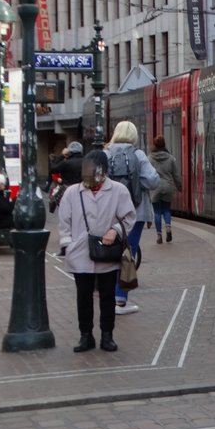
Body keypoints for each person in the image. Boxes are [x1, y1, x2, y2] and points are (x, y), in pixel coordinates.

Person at [57, 149, 135, 353]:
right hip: (80, 253)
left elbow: (128, 217)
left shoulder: (118, 190)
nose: (91, 176)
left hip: (107, 252)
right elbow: (64, 222)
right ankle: (86, 335)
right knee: (83, 297)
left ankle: (107, 335)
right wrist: (69, 245)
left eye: (96, 171)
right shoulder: (73, 192)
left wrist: (115, 231)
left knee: (107, 296)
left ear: (105, 171)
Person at [105, 122, 159, 314]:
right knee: (128, 254)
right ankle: (121, 300)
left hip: (108, 215)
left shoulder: (106, 154)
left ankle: (107, 298)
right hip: (135, 214)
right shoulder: (138, 155)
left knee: (107, 255)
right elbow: (153, 180)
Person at [148, 135, 182, 244]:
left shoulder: (150, 158)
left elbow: (147, 174)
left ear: (154, 145)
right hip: (168, 186)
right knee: (166, 209)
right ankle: (168, 227)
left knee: (157, 212)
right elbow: (176, 175)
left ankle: (159, 235)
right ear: (164, 144)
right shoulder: (171, 158)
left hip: (155, 187)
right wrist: (179, 186)